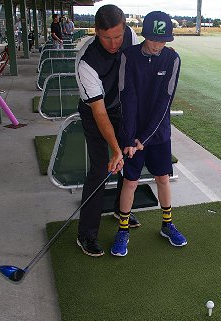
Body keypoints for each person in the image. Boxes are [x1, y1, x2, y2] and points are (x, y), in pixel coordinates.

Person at [111, 11, 187, 257]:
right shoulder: (128, 57)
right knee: (130, 182)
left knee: (162, 179)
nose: (158, 45)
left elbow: (164, 103)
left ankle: (167, 225)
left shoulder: (172, 59)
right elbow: (127, 97)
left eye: (163, 40)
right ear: (145, 36)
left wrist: (143, 138)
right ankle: (123, 230)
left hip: (158, 134)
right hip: (132, 134)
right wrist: (130, 137)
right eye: (154, 39)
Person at [75, 4, 141, 257]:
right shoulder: (86, 62)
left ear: (125, 28)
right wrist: (114, 149)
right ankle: (86, 234)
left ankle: (119, 208)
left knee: (128, 155)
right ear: (96, 32)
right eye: (106, 38)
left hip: (121, 107)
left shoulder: (131, 38)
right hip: (96, 111)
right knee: (102, 166)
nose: (114, 44)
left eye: (118, 36)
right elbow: (99, 112)